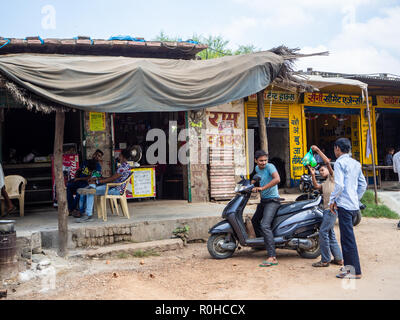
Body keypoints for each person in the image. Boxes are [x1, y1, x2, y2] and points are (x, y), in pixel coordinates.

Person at [329, 138, 367, 279]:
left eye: (335, 149)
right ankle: (351, 269)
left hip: (344, 205)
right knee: (348, 238)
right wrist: (355, 199)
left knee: (347, 239)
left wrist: (332, 200)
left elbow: (339, 185)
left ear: (337, 148)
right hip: (353, 205)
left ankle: (353, 271)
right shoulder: (356, 163)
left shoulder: (339, 163)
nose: (335, 151)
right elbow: (363, 184)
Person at [308, 145, 343, 267]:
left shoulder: (333, 177)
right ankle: (338, 259)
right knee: (330, 234)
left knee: (323, 232)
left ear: (329, 170)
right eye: (320, 170)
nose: (320, 172)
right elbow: (317, 187)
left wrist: (317, 150)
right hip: (327, 211)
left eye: (322, 170)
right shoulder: (325, 182)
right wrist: (313, 174)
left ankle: (325, 260)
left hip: (331, 210)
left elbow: (327, 162)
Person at [76, 149, 131, 223]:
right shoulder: (126, 166)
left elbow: (112, 178)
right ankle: (89, 189)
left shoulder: (123, 167)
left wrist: (98, 181)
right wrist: (98, 180)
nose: (119, 157)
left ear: (123, 157)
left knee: (91, 191)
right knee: (92, 188)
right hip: (113, 187)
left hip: (115, 189)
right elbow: (113, 178)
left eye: (120, 155)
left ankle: (88, 214)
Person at [251, 150, 281, 267]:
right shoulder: (258, 168)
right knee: (254, 221)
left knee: (265, 225)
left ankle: (272, 256)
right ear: (256, 161)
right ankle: (262, 244)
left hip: (273, 200)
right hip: (264, 201)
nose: (263, 163)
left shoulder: (270, 167)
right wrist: (250, 183)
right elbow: (256, 178)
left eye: (265, 160)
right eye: (261, 161)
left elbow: (277, 179)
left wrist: (262, 188)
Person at [66, 149, 103, 214]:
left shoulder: (98, 167)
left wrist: (78, 179)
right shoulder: (86, 161)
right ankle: (71, 208)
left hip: (86, 183)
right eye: (96, 154)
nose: (96, 156)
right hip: (78, 181)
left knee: (79, 192)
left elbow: (92, 178)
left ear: (100, 158)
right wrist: (75, 177)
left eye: (99, 156)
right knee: (68, 186)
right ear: (93, 154)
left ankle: (72, 209)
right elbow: (79, 170)